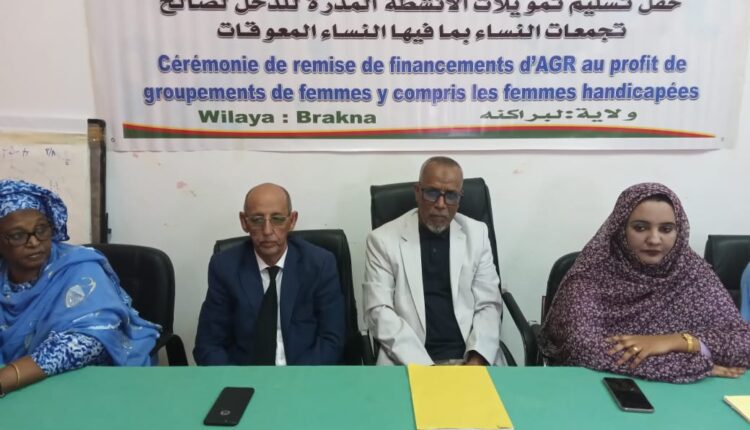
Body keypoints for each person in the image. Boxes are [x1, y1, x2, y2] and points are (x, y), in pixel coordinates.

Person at [540, 182, 750, 383]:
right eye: (640, 228)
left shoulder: (693, 273)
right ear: (620, 229)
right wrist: (694, 365)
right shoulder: (590, 275)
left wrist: (678, 341)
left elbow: (744, 343)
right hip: (599, 386)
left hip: (687, 394)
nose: (654, 239)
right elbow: (583, 349)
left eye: (666, 229)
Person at [0, 179, 159, 397]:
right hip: (22, 388)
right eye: (18, 235)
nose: (34, 242)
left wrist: (7, 377)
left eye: (41, 229)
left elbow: (89, 340)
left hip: (92, 383)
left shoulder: (80, 267)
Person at [363, 156, 502, 366]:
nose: (441, 204)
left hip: (470, 355)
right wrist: (427, 369)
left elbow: (489, 304)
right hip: (407, 358)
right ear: (417, 192)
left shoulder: (477, 234)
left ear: (460, 198)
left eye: (451, 196)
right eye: (432, 193)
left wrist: (477, 359)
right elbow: (378, 311)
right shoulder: (382, 240)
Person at [194, 183, 345, 365]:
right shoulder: (225, 267)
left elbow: (332, 339)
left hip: (306, 372)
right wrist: (235, 379)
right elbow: (209, 345)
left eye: (277, 219)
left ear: (292, 220)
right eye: (257, 220)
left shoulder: (319, 264)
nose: (267, 231)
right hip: (245, 374)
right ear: (244, 222)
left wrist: (300, 378)